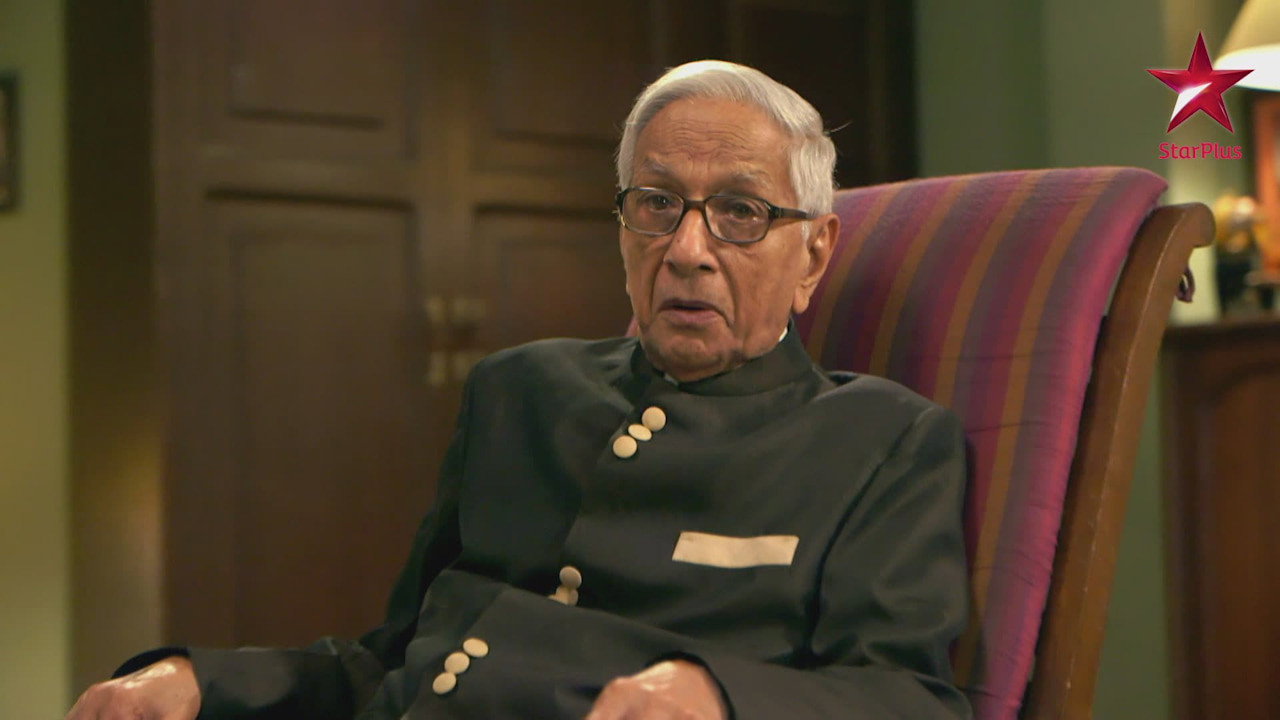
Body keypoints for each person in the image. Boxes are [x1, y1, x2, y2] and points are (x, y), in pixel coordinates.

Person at [67, 60, 971, 720]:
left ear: (812, 254)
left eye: (740, 212)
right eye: (657, 204)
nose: (688, 250)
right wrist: (197, 682)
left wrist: (719, 696)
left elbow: (911, 699)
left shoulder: (883, 440)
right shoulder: (521, 389)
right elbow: (397, 660)